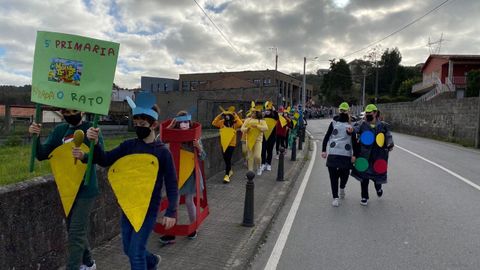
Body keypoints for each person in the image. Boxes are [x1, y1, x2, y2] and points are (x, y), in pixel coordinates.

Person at [72, 93, 177, 269]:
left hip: (148, 208)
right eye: (136, 124)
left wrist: (171, 212)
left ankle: (148, 262)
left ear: (154, 124)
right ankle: (152, 261)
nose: (138, 127)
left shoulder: (162, 152)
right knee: (128, 249)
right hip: (128, 205)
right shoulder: (129, 146)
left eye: (142, 124)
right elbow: (105, 160)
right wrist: (96, 143)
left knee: (136, 253)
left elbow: (172, 184)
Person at [29, 109, 103, 270]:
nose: (70, 114)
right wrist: (35, 136)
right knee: (74, 229)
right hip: (67, 189)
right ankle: (89, 263)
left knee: (76, 233)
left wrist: (93, 144)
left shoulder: (92, 128)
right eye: (66, 112)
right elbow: (42, 154)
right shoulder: (59, 131)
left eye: (74, 111)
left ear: (82, 111)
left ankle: (73, 267)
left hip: (86, 189)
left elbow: (100, 156)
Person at [159, 111, 206, 244]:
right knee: (173, 202)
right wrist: (171, 126)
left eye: (186, 122)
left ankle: (193, 227)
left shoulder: (195, 138)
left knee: (189, 201)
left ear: (189, 123)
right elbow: (160, 140)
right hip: (175, 174)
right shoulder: (172, 136)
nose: (184, 125)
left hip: (190, 175)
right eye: (181, 123)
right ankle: (170, 232)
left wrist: (198, 147)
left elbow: (203, 157)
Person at [351, 104, 394, 206]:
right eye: (366, 113)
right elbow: (354, 129)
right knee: (364, 177)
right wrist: (351, 130)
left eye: (369, 113)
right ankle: (364, 197)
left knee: (377, 177)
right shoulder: (362, 124)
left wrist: (390, 144)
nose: (367, 114)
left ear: (375, 113)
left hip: (378, 156)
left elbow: (388, 136)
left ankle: (378, 188)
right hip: (364, 155)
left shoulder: (383, 125)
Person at [321, 102, 355, 207]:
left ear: (348, 111)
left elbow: (354, 140)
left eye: (344, 111)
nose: (343, 112)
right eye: (341, 110)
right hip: (333, 152)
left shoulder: (352, 124)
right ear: (339, 111)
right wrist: (323, 150)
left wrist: (355, 154)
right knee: (333, 176)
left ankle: (342, 187)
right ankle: (335, 197)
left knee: (344, 174)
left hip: (346, 154)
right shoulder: (333, 123)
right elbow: (327, 136)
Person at [211, 107, 243, 183]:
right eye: (226, 115)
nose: (227, 116)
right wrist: (220, 115)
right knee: (225, 158)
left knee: (228, 158)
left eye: (228, 115)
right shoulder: (222, 122)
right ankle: (230, 170)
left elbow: (240, 123)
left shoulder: (234, 123)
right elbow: (214, 123)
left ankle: (227, 175)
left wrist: (235, 115)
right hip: (224, 143)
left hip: (232, 144)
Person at [241, 103, 268, 176]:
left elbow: (266, 128)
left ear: (257, 113)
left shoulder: (262, 121)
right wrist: (247, 129)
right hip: (249, 140)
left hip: (258, 141)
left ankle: (258, 167)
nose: (252, 113)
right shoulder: (247, 120)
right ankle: (250, 171)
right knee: (250, 157)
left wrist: (257, 126)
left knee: (257, 156)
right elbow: (242, 129)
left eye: (253, 112)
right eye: (252, 112)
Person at [261, 101, 279, 172]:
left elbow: (277, 117)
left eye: (269, 110)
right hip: (264, 136)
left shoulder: (274, 116)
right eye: (266, 110)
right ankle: (263, 163)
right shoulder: (263, 116)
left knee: (270, 151)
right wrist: (262, 114)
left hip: (272, 136)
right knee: (263, 150)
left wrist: (274, 110)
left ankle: (269, 164)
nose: (267, 111)